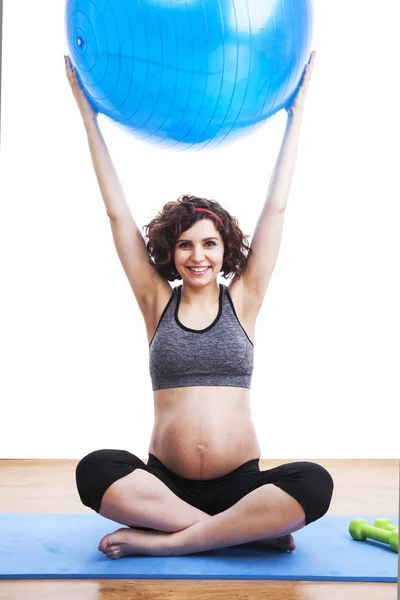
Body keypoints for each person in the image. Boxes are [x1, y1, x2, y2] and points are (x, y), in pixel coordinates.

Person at [65, 51, 333, 560]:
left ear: (225, 248)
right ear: (172, 252)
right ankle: (236, 532)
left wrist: (296, 116)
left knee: (315, 482)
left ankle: (170, 543)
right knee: (94, 469)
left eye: (209, 243)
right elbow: (118, 216)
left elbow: (276, 206)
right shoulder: (155, 302)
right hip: (164, 488)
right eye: (186, 244)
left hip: (241, 484)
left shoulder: (245, 301)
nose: (198, 255)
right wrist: (87, 117)